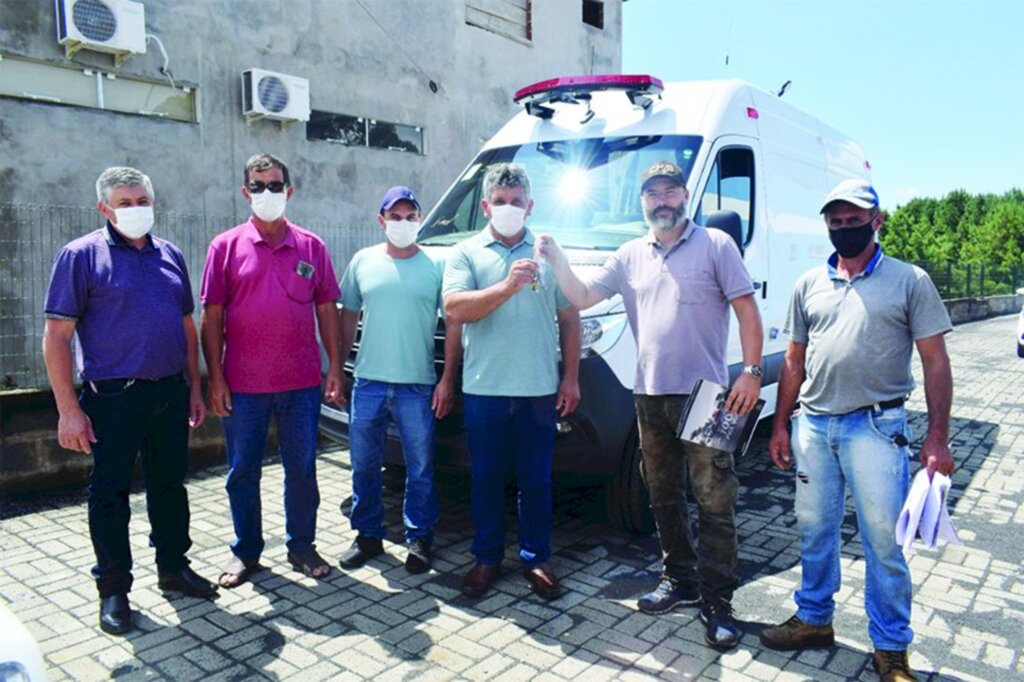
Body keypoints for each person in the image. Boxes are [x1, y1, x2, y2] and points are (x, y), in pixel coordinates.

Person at [537, 160, 764, 649]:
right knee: (661, 494)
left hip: (708, 397)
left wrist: (750, 371)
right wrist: (556, 259)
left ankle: (718, 600)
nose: (661, 200)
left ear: (685, 195)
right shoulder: (629, 254)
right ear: (642, 202)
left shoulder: (716, 246)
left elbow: (748, 311)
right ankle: (680, 581)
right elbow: (581, 295)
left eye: (669, 191)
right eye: (652, 194)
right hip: (648, 394)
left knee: (715, 498)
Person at [761, 179, 954, 682]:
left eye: (854, 220)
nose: (845, 229)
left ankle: (891, 648)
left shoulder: (910, 280)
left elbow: (935, 361)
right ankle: (814, 619)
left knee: (884, 544)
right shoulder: (809, 284)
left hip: (877, 426)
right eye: (836, 221)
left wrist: (937, 438)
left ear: (878, 220)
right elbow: (793, 361)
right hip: (814, 426)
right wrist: (779, 425)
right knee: (815, 531)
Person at [42, 166, 217, 636]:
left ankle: (173, 568)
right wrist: (68, 410)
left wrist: (194, 388)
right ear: (104, 208)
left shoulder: (170, 255)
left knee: (170, 487)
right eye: (124, 203)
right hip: (112, 399)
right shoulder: (80, 256)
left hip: (168, 393)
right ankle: (114, 590)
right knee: (110, 495)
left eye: (142, 200)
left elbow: (185, 327)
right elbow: (57, 337)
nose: (135, 209)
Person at [200, 153, 342, 588]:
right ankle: (246, 552)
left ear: (289, 191)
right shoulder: (224, 247)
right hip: (243, 386)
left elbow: (326, 310)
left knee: (301, 468)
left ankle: (301, 545)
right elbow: (211, 317)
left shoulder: (311, 246)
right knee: (243, 470)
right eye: (258, 186)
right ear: (246, 193)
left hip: (300, 383)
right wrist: (216, 378)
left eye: (275, 185)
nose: (267, 193)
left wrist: (334, 366)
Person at [443, 163, 580, 600]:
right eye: (499, 202)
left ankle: (536, 559)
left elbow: (570, 316)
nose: (508, 209)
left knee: (536, 480)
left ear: (530, 205)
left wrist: (571, 378)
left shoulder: (548, 252)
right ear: (485, 206)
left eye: (516, 202)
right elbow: (455, 309)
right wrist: (506, 286)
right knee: (485, 477)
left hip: (538, 390)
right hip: (485, 388)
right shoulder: (466, 253)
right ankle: (485, 558)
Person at [336, 186, 461, 574]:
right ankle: (368, 535)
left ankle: (419, 536)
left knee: (420, 467)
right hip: (369, 382)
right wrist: (338, 370)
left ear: (419, 221)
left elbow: (454, 322)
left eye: (410, 217)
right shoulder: (362, 261)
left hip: (417, 385)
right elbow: (347, 316)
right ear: (381, 221)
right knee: (364, 465)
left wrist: (448, 380)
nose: (403, 224)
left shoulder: (436, 267)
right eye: (395, 217)